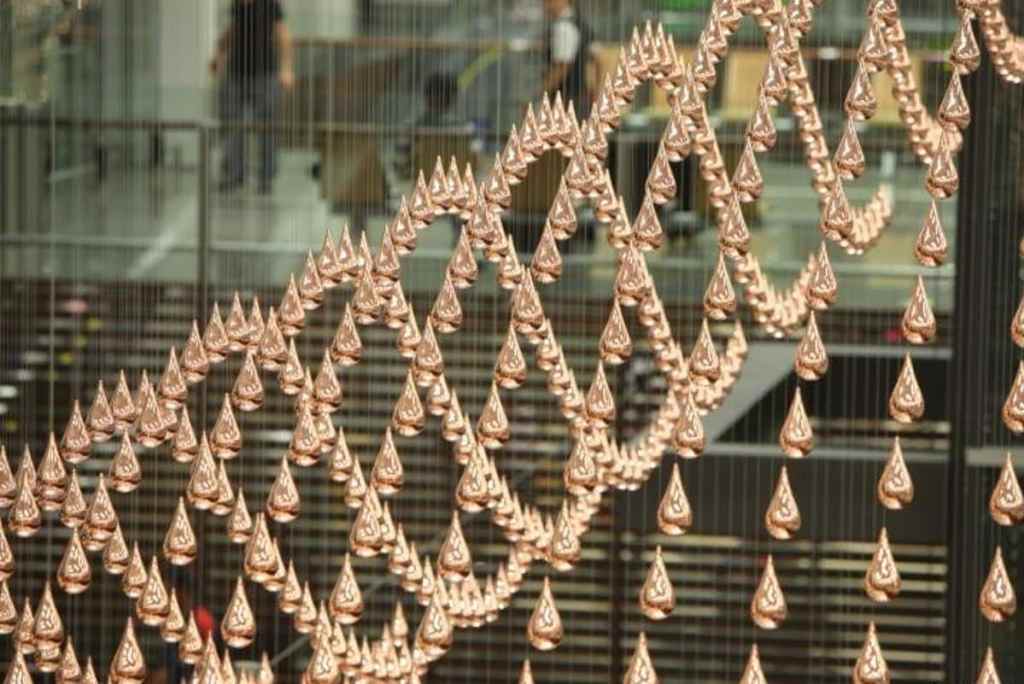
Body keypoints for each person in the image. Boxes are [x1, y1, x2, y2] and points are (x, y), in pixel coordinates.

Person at [210, 0, 294, 194]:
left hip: (265, 74)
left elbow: (283, 35)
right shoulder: (237, 5)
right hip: (236, 73)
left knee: (267, 127)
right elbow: (233, 31)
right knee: (232, 124)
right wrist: (219, 55)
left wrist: (286, 69)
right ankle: (234, 173)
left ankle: (266, 178)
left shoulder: (270, 5)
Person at [540, 0, 595, 117]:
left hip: (565, 100)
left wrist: (540, 93)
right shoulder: (581, 24)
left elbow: (562, 66)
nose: (544, 5)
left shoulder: (563, 27)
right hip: (580, 98)